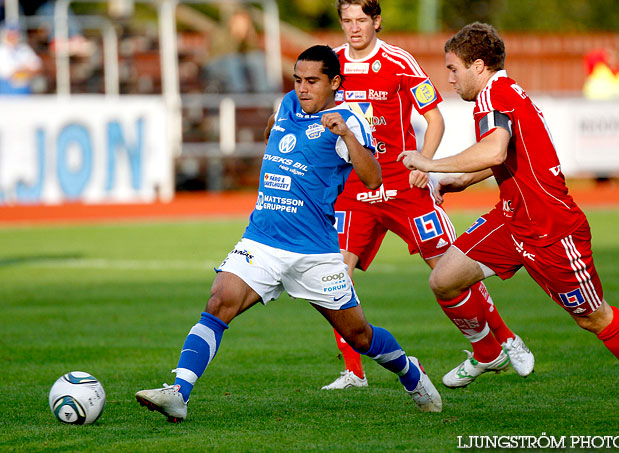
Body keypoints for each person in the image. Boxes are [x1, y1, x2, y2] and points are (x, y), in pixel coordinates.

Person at [135, 45, 442, 422]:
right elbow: (275, 131)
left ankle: (410, 373)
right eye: (298, 80)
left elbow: (373, 176)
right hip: (263, 239)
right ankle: (179, 393)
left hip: (314, 251)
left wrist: (346, 136)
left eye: (312, 81)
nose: (303, 88)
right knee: (219, 301)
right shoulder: (286, 104)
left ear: (335, 82)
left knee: (359, 336)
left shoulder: (349, 118)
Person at [399, 22, 619, 423]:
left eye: (453, 68)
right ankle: (488, 353)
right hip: (511, 220)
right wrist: (458, 180)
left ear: (478, 65)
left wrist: (430, 163)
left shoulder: (497, 92)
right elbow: (506, 158)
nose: (450, 78)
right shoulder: (500, 94)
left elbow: (494, 150)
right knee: (444, 278)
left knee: (592, 317)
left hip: (551, 228)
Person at [318, 0, 534, 391]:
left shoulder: (399, 61)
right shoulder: (329, 64)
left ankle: (504, 339)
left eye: (361, 20)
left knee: (450, 266)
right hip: (352, 188)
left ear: (376, 21)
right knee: (333, 277)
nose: (353, 28)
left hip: (405, 185)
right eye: (346, 20)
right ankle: (353, 371)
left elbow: (434, 117)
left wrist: (425, 164)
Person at [0, 23, 41, 95]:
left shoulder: (24, 49)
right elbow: (10, 74)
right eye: (11, 34)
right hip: (6, 92)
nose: (13, 37)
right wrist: (25, 69)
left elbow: (37, 67)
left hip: (25, 90)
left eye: (16, 34)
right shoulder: (2, 50)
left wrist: (23, 70)